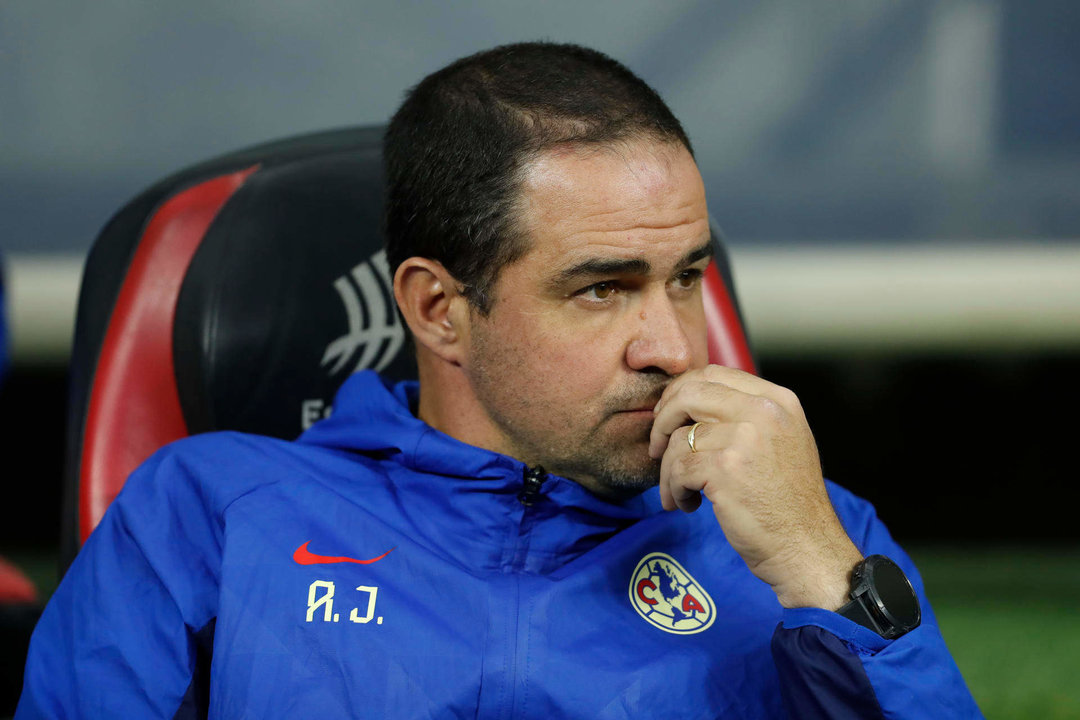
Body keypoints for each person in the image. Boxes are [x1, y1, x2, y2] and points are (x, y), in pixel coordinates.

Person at [17, 42, 981, 718]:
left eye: (686, 277)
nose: (673, 347)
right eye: (603, 289)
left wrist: (823, 575)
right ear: (439, 309)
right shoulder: (208, 515)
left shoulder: (811, 536)